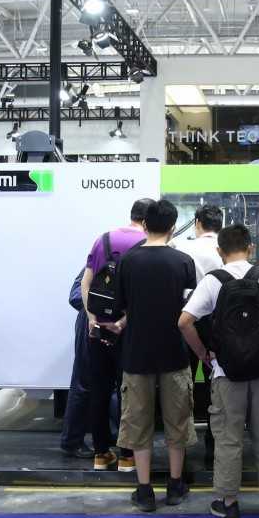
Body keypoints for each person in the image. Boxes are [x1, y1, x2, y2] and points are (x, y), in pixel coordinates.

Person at [179, 224, 259, 518]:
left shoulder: (213, 281)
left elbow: (184, 321)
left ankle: (228, 502)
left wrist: (204, 354)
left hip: (226, 373)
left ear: (220, 251)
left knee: (228, 437)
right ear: (250, 247)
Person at [102, 199, 197, 513]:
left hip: (136, 354)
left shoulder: (129, 261)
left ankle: (144, 490)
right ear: (173, 227)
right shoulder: (183, 262)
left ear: (144, 225)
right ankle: (175, 484)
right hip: (174, 353)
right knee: (177, 421)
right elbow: (190, 310)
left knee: (138, 422)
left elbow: (119, 306)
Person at [80, 198, 152, 474]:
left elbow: (86, 283)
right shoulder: (146, 244)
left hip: (97, 329)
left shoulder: (103, 240)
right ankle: (127, 456)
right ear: (148, 221)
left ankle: (100, 454)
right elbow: (142, 295)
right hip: (128, 332)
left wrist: (92, 318)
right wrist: (123, 321)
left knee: (99, 389)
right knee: (129, 392)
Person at [175, 203, 225, 463]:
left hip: (188, 320)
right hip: (217, 323)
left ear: (197, 223)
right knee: (217, 383)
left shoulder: (183, 248)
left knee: (184, 384)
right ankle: (213, 445)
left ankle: (181, 447)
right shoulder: (224, 250)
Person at [60, 269, 95, 459]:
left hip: (118, 324)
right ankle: (72, 441)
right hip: (92, 323)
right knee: (83, 382)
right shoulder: (99, 256)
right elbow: (75, 296)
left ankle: (111, 437)